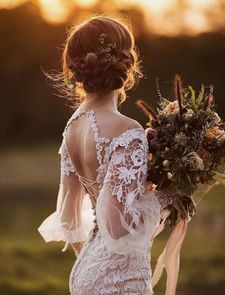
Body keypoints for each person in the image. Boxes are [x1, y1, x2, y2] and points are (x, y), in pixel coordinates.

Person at [38, 15, 190, 295]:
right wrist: (169, 194)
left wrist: (93, 264)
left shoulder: (71, 128)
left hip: (84, 272)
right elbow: (120, 228)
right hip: (121, 280)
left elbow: (69, 218)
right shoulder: (127, 130)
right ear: (128, 62)